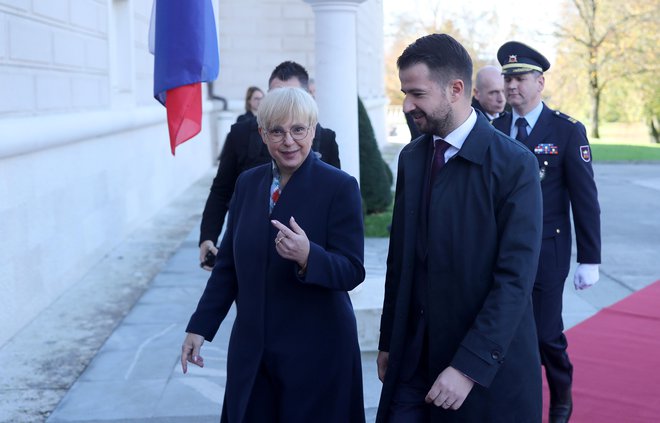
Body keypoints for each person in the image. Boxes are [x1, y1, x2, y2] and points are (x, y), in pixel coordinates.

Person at [376, 33, 544, 422]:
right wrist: (389, 341)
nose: (407, 105)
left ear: (455, 89)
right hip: (412, 362)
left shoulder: (513, 165)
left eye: (417, 93)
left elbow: (514, 281)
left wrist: (468, 367)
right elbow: (400, 261)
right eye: (405, 92)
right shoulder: (413, 158)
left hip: (483, 375)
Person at [182, 87, 366, 422]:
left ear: (313, 130)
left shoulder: (339, 186)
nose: (289, 141)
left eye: (299, 129)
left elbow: (352, 270)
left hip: (317, 351)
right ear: (262, 134)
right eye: (277, 131)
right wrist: (200, 327)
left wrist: (310, 256)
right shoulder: (248, 184)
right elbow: (228, 266)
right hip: (254, 350)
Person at [492, 41, 601, 423]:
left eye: (519, 79)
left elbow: (585, 198)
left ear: (540, 82)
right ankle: (514, 399)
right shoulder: (496, 128)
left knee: (544, 334)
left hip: (546, 250)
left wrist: (590, 258)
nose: (511, 87)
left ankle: (561, 395)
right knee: (503, 331)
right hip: (502, 251)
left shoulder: (567, 130)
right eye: (507, 79)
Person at [199, 61, 341, 269]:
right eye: (276, 95)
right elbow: (221, 190)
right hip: (249, 251)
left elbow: (335, 200)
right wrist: (207, 237)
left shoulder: (325, 138)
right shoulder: (240, 135)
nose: (288, 141)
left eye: (291, 95)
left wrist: (312, 257)